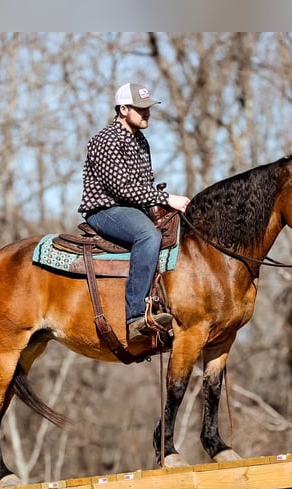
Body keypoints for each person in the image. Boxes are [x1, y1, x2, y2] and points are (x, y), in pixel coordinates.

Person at [79, 82, 190, 344]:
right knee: (148, 237)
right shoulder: (105, 140)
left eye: (148, 108)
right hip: (106, 209)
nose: (147, 113)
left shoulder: (140, 140)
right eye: (140, 109)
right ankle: (135, 317)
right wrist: (167, 198)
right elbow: (123, 188)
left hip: (132, 207)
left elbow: (143, 186)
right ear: (123, 109)